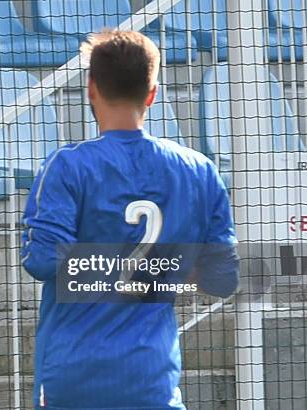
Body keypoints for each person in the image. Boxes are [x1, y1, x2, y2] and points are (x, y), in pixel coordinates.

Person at [21, 31, 239, 409]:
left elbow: (41, 262)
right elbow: (224, 279)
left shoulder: (67, 167)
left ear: (91, 89)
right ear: (152, 93)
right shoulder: (199, 171)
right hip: (151, 380)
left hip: (72, 379)